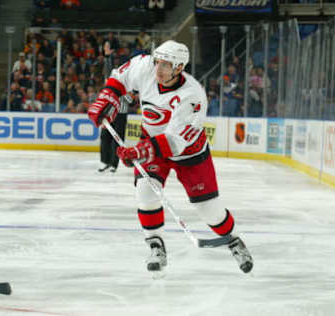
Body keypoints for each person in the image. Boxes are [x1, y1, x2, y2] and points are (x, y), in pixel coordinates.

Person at [87, 40, 253, 274]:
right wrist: (107, 99)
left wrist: (139, 151)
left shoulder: (193, 95)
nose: (158, 69)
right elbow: (119, 77)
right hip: (152, 143)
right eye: (157, 62)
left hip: (189, 153)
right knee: (145, 194)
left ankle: (234, 241)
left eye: (165, 65)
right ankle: (156, 246)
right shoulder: (145, 67)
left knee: (209, 210)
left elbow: (175, 141)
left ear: (179, 68)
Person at [98, 94, 131, 173]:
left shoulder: (127, 86)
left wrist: (121, 92)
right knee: (104, 137)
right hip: (108, 114)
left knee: (117, 140)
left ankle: (114, 164)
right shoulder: (110, 84)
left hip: (121, 115)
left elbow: (130, 100)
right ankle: (105, 162)